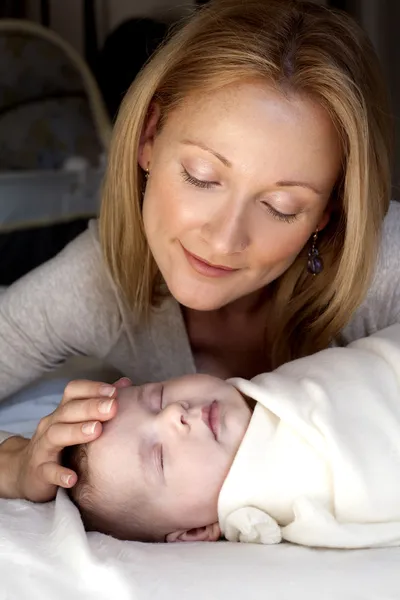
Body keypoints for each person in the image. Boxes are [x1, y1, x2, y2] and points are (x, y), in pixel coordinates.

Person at [0, 0, 397, 502]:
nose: (225, 239)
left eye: (281, 206)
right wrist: (14, 466)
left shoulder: (381, 266)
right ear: (149, 137)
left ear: (328, 213)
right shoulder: (99, 282)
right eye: (201, 177)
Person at [60, 324, 400, 549]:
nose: (172, 413)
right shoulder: (288, 491)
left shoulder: (265, 391)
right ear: (195, 532)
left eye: (156, 397)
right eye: (159, 456)